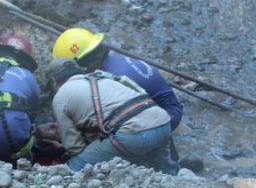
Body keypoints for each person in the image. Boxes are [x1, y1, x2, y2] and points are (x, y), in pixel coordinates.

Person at [48, 60, 180, 175]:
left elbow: (74, 148)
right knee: (164, 170)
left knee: (76, 166)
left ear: (54, 81)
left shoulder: (61, 96)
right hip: (163, 122)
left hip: (134, 135)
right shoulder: (103, 76)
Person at [52, 28, 183, 129]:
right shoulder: (111, 63)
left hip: (167, 116)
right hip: (163, 108)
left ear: (84, 64)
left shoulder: (114, 78)